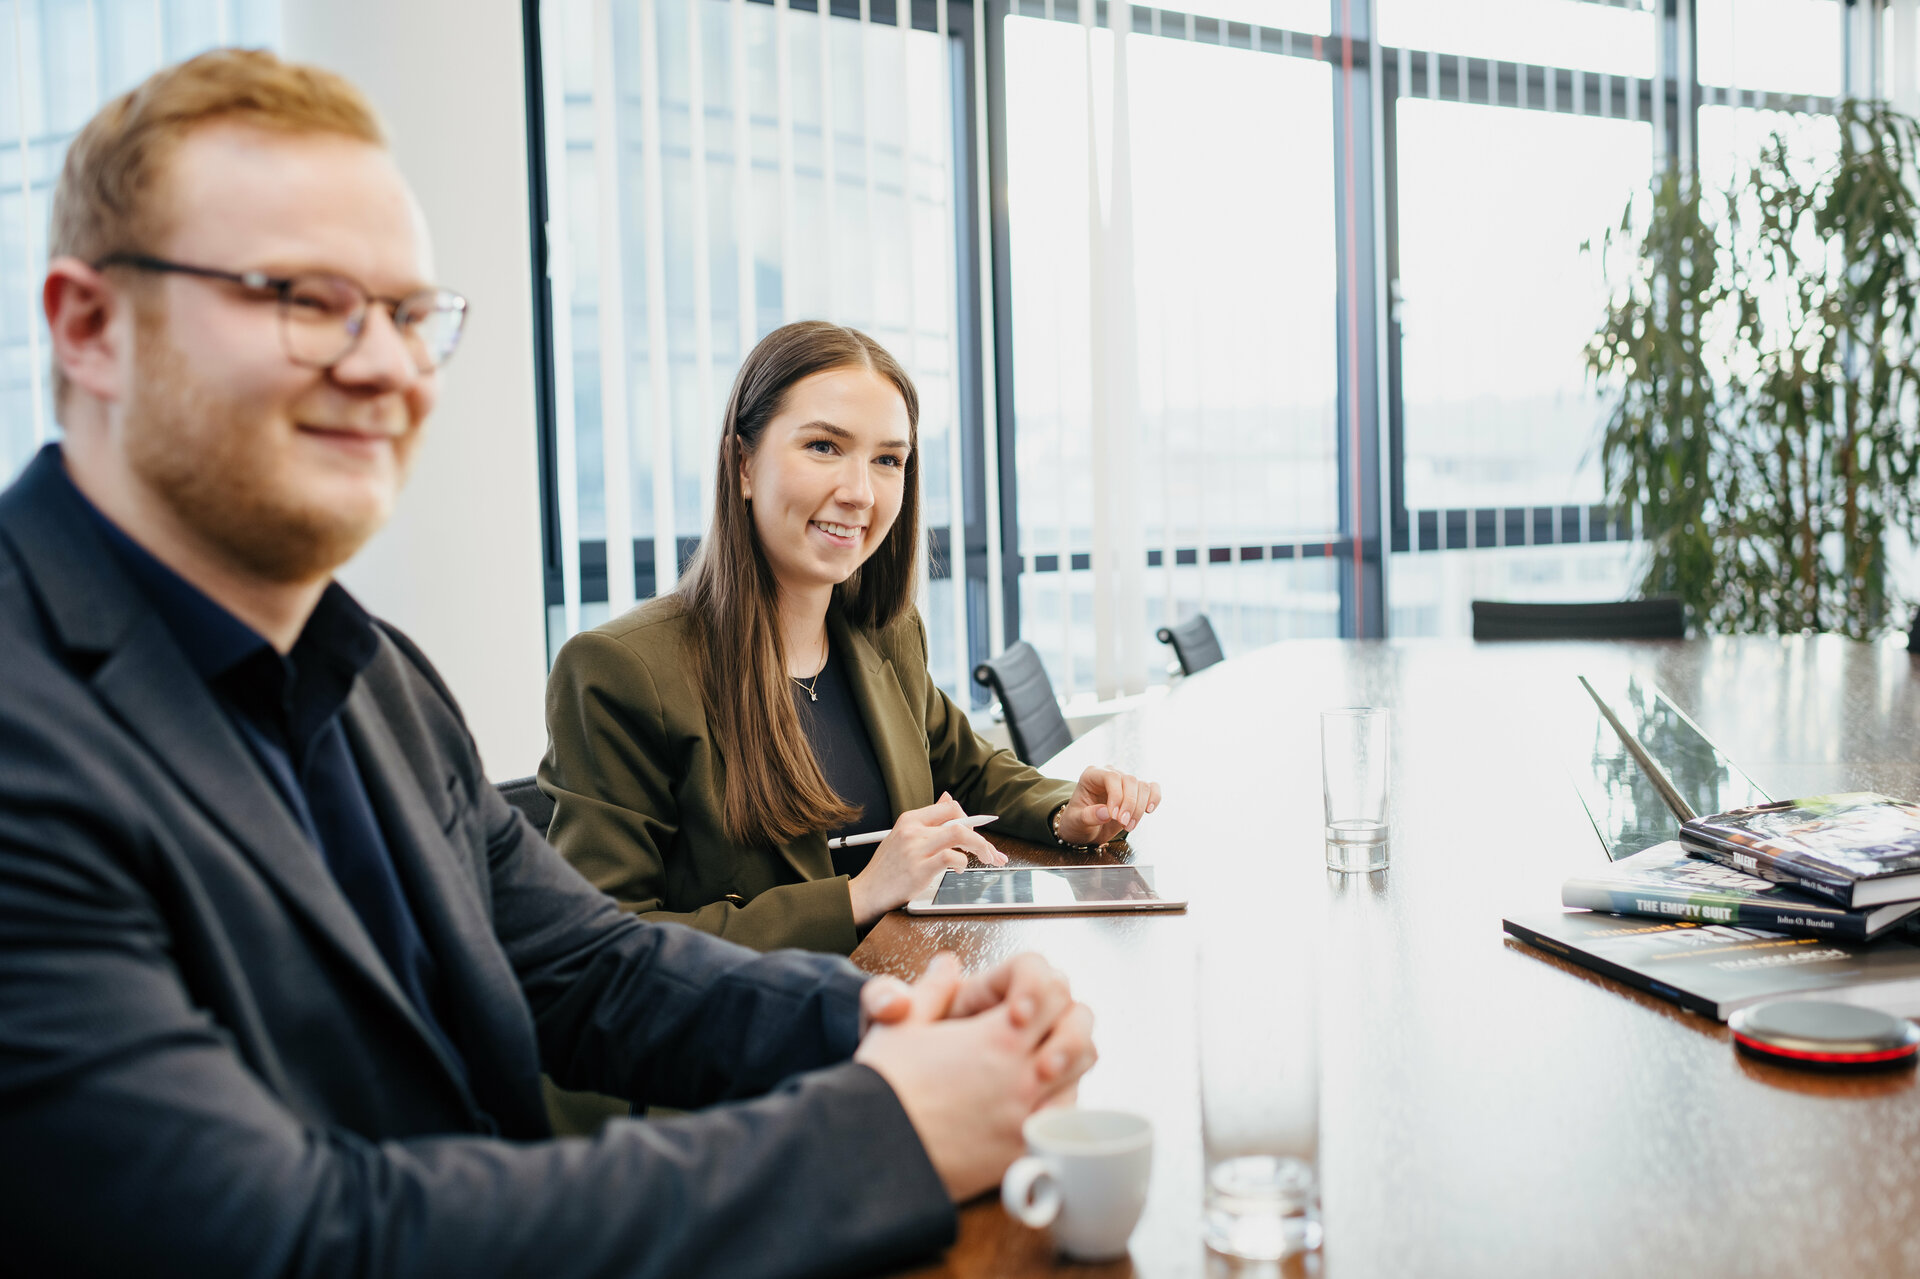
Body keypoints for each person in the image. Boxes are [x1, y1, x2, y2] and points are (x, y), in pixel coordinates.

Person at [0, 49, 1096, 1278]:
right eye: (305, 298)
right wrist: (879, 1129)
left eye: (412, 313)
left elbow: (592, 969)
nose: (384, 365)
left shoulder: (371, 678)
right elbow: (282, 1235)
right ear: (88, 326)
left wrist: (882, 1018)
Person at [540, 322, 1164, 954]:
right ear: (743, 463)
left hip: (906, 994)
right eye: (823, 447)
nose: (860, 492)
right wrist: (858, 896)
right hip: (762, 1036)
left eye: (888, 460)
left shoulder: (885, 635)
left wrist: (1066, 811)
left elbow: (968, 770)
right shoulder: (621, 672)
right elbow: (601, 949)